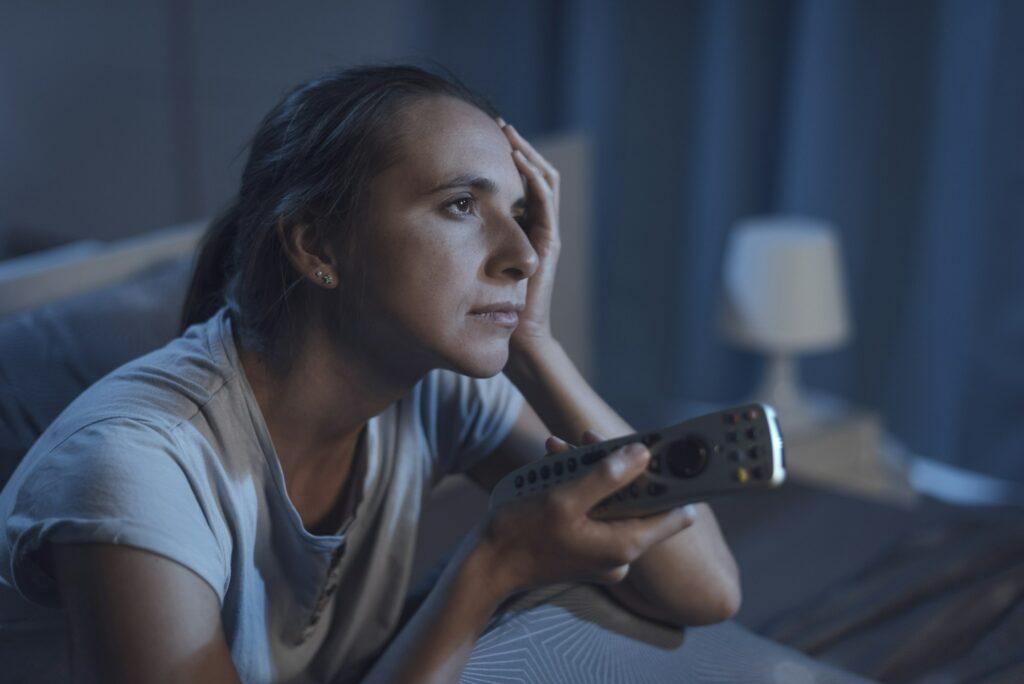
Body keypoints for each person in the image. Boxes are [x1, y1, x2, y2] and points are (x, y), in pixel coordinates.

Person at [0, 63, 743, 683]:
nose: (522, 253)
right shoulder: (136, 468)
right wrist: (493, 564)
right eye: (461, 204)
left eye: (521, 215)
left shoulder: (436, 390)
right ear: (316, 245)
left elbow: (705, 589)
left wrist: (536, 346)